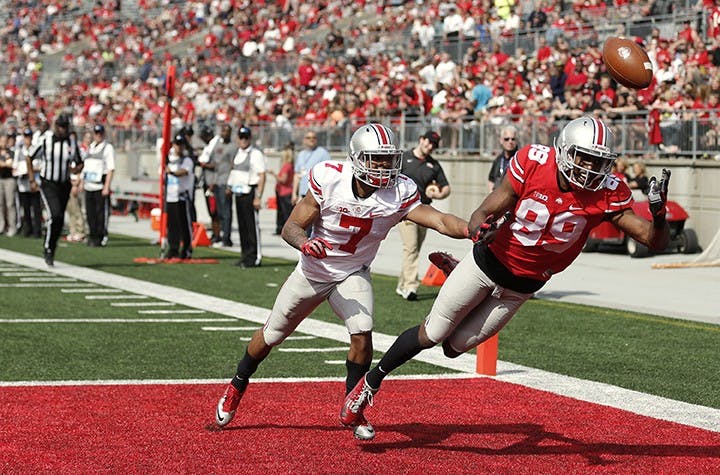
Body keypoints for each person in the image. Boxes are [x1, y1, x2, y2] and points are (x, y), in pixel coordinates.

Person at [339, 116, 672, 438]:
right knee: (434, 334)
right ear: (563, 150)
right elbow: (484, 210)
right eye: (582, 157)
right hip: (487, 264)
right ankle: (370, 384)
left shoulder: (608, 191)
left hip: (522, 287)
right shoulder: (533, 161)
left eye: (597, 162)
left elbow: (654, 240)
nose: (588, 169)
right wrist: (481, 225)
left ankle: (457, 277)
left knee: (454, 349)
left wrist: (659, 214)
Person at [214, 123, 470, 441]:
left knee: (362, 334)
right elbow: (291, 226)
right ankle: (237, 384)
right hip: (312, 271)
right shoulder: (329, 177)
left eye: (389, 159)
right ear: (357, 157)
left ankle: (354, 407)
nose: (384, 166)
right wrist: (304, 243)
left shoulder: (399, 191)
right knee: (271, 334)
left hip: (352, 272)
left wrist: (471, 228)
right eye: (376, 159)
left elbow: (440, 219)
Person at [396, 130, 451, 301]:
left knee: (414, 249)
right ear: (421, 139)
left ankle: (402, 284)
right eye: (428, 142)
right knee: (411, 247)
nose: (430, 146)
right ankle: (411, 287)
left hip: (424, 211)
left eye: (434, 144)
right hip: (406, 211)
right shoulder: (404, 158)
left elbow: (446, 187)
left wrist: (438, 194)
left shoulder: (433, 165)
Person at [27, 113, 83, 266]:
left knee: (59, 219)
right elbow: (29, 156)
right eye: (61, 127)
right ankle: (48, 248)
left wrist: (75, 171)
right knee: (55, 215)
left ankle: (52, 245)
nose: (63, 130)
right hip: (48, 183)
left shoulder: (71, 142)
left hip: (64, 184)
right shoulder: (46, 139)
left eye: (65, 127)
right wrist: (32, 179)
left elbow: (79, 162)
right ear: (56, 126)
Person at [226, 125, 266, 267]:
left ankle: (255, 257)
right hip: (239, 192)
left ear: (249, 138)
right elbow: (235, 172)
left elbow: (261, 175)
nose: (243, 140)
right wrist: (230, 186)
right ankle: (245, 255)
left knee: (251, 226)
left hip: (250, 192)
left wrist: (258, 196)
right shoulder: (238, 153)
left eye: (246, 137)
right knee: (242, 226)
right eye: (241, 137)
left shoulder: (255, 154)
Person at [199, 124, 237, 248]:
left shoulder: (233, 147)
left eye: (227, 131)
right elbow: (216, 164)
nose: (224, 133)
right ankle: (219, 235)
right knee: (218, 212)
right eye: (223, 131)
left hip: (226, 181)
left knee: (226, 212)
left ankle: (227, 238)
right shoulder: (217, 145)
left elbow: (233, 166)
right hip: (217, 181)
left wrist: (230, 184)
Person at [83, 124, 115, 247]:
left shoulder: (107, 148)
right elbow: (86, 166)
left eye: (100, 133)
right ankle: (92, 235)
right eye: (96, 133)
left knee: (100, 213)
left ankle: (101, 236)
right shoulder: (91, 147)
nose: (98, 135)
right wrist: (82, 181)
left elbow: (110, 168)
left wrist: (107, 186)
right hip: (89, 184)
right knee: (90, 213)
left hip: (99, 185)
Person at [164, 134, 194, 259]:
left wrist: (172, 172)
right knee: (172, 225)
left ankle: (186, 249)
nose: (179, 147)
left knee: (184, 224)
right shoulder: (168, 159)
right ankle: (173, 248)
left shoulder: (186, 160)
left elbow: (184, 172)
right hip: (170, 196)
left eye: (181, 145)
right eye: (177, 144)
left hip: (182, 196)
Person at [12, 128, 42, 238]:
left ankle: (37, 230)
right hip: (23, 184)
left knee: (36, 208)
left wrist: (30, 171)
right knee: (26, 208)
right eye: (26, 137)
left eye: (29, 137)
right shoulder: (19, 150)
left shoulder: (36, 150)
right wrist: (20, 172)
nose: (27, 139)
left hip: (34, 183)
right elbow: (15, 167)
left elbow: (41, 166)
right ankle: (28, 228)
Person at [197, 125, 221, 243]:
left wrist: (204, 165)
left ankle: (218, 234)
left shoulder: (216, 145)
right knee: (211, 211)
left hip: (213, 181)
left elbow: (217, 165)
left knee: (215, 210)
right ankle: (215, 233)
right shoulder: (210, 145)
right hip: (207, 180)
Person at [271, 141, 294, 235]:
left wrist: (274, 174)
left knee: (285, 213)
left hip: (284, 192)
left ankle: (285, 231)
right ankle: (280, 229)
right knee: (282, 212)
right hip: (283, 191)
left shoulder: (286, 166)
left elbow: (283, 180)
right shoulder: (290, 166)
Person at [487, 125, 519, 192]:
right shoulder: (498, 160)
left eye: (513, 139)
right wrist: (491, 194)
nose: (510, 142)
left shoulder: (520, 159)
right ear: (501, 140)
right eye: (506, 139)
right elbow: (491, 179)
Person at [0, 132, 17, 237]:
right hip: (0, 179)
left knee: (10, 204)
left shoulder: (11, 152)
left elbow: (11, 164)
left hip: (9, 180)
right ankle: (1, 226)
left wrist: (4, 164)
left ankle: (12, 227)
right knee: (0, 204)